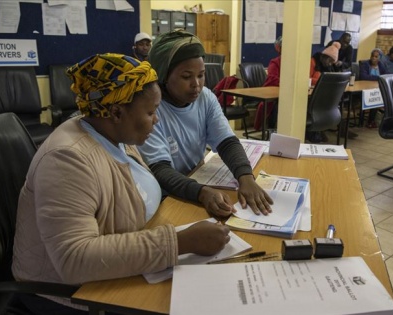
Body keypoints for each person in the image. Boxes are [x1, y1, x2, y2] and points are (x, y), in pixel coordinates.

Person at [12, 53, 231, 315]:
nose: (156, 120)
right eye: (150, 112)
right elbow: (74, 259)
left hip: (120, 269)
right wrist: (180, 242)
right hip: (70, 294)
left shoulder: (116, 134)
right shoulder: (66, 159)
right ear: (116, 111)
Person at [140, 30, 273, 218]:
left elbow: (227, 142)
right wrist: (201, 192)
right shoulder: (151, 109)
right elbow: (160, 170)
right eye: (186, 77)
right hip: (168, 196)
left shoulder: (205, 98)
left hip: (196, 178)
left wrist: (246, 177)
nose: (196, 84)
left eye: (201, 75)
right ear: (163, 76)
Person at [254, 36, 282, 131]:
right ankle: (271, 129)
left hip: (283, 92)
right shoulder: (275, 62)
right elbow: (273, 79)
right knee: (274, 103)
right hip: (271, 92)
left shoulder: (293, 63)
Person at [360, 48, 387, 128]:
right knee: (375, 97)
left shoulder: (380, 65)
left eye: (376, 57)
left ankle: (372, 120)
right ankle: (370, 121)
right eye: (372, 56)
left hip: (376, 88)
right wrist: (378, 78)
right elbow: (363, 76)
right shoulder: (365, 64)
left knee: (380, 96)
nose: (373, 58)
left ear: (379, 58)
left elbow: (385, 75)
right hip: (365, 89)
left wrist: (379, 78)